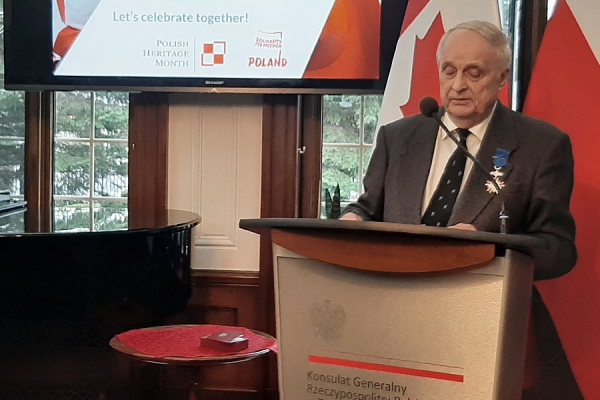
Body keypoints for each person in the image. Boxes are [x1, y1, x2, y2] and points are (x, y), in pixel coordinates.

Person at [340, 20, 576, 281]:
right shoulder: (396, 138)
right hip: (393, 296)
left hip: (480, 307)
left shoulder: (541, 145)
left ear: (502, 78)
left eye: (473, 73)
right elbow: (368, 209)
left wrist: (488, 247)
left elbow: (557, 249)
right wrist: (353, 219)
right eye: (449, 71)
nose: (458, 85)